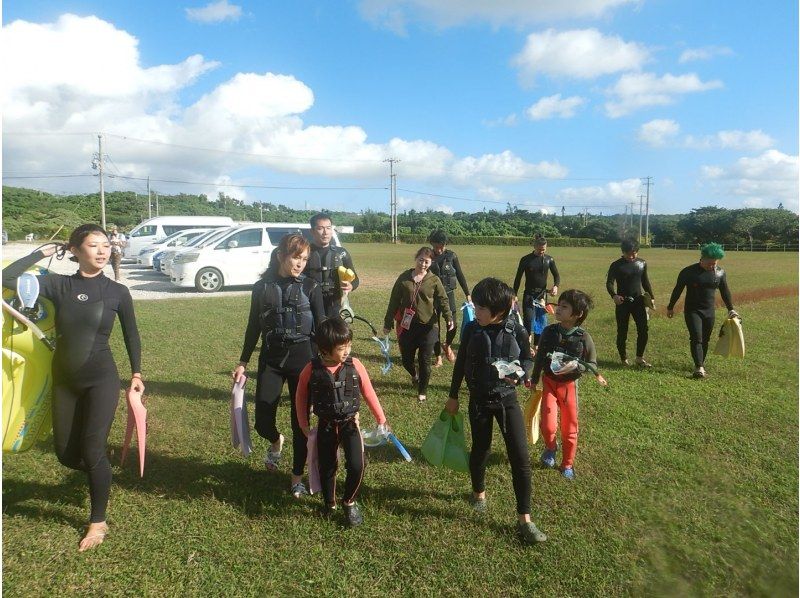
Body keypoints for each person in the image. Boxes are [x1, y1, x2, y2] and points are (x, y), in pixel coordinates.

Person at [2, 224, 143, 552]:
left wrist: (136, 373)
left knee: (92, 448)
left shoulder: (116, 292)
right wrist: (42, 252)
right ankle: (101, 474)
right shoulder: (59, 285)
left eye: (105, 245)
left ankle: (98, 520)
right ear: (77, 250)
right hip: (64, 380)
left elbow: (132, 334)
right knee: (65, 454)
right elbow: (8, 277)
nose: (102, 250)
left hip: (100, 378)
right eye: (93, 245)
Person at [445, 277, 547, 545]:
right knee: (481, 449)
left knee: (520, 457)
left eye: (480, 308)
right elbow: (460, 364)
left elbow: (527, 356)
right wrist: (453, 395)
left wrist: (521, 372)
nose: (474, 311)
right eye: (475, 306)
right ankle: (478, 493)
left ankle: (525, 518)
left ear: (499, 311)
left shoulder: (517, 329)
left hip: (507, 400)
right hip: (478, 400)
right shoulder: (471, 329)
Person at [233, 233, 326, 498]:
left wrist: (325, 362)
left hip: (303, 361)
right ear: (280, 256)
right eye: (296, 257)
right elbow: (253, 326)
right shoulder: (261, 288)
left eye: (305, 259)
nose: (300, 264)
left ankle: (296, 478)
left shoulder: (311, 287)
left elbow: (321, 326)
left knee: (301, 424)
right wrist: (243, 361)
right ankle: (275, 441)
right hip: (271, 359)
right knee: (263, 421)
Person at [296, 318, 388, 527]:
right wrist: (303, 422)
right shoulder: (311, 369)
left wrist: (380, 418)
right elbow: (301, 396)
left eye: (349, 345)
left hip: (349, 424)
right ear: (324, 350)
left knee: (357, 464)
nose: (347, 351)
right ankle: (329, 503)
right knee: (327, 466)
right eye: (341, 347)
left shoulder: (355, 366)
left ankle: (349, 501)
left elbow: (368, 392)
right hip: (326, 425)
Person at [532, 290, 606, 480]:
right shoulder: (549, 331)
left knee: (569, 426)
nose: (558, 309)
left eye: (565, 307)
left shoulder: (583, 337)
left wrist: (578, 367)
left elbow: (592, 362)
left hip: (569, 387)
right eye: (559, 304)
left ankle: (567, 464)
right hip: (549, 382)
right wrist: (534, 379)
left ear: (578, 314)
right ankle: (550, 447)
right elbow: (540, 357)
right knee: (548, 424)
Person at [382, 247, 453, 402]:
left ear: (431, 262)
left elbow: (443, 300)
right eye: (421, 260)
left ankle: (422, 391)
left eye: (427, 261)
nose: (423, 264)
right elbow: (393, 301)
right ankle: (414, 375)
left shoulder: (434, 280)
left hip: (429, 326)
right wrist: (388, 322)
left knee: (424, 359)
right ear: (416, 259)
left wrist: (448, 317)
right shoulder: (404, 278)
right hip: (408, 325)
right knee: (406, 358)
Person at [666, 242, 738, 379]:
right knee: (696, 337)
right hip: (693, 310)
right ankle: (698, 367)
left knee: (705, 339)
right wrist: (670, 306)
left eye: (714, 264)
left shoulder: (720, 273)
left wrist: (731, 309)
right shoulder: (688, 272)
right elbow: (677, 290)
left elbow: (725, 292)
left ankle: (701, 365)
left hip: (709, 311)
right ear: (702, 258)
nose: (712, 266)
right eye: (709, 263)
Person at [605, 239, 655, 367]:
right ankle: (623, 359)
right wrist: (614, 295)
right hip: (622, 303)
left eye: (635, 253)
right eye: (629, 254)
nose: (632, 256)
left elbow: (645, 282)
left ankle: (639, 358)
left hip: (638, 302)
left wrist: (651, 297)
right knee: (622, 331)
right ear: (623, 252)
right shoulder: (616, 265)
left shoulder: (642, 263)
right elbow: (609, 283)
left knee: (643, 330)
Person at [427, 230, 471, 367]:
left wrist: (467, 294)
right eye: (436, 246)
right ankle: (438, 356)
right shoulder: (428, 256)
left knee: (453, 324)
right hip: (433, 297)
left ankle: (447, 344)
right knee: (435, 328)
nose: (439, 249)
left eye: (442, 246)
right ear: (432, 244)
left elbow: (460, 275)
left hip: (449, 295)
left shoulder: (452, 256)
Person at [304, 213, 359, 319]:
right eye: (320, 228)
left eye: (328, 228)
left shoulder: (341, 253)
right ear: (312, 231)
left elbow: (355, 279)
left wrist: (351, 286)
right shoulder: (304, 253)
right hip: (309, 306)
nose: (325, 233)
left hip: (336, 306)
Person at [512, 237, 560, 349]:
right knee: (528, 320)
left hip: (542, 296)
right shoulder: (525, 260)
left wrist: (555, 286)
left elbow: (556, 276)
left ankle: (537, 346)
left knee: (540, 321)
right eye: (539, 250)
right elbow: (518, 278)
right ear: (534, 246)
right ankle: (527, 345)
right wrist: (514, 294)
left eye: (544, 250)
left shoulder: (549, 260)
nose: (542, 252)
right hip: (529, 294)